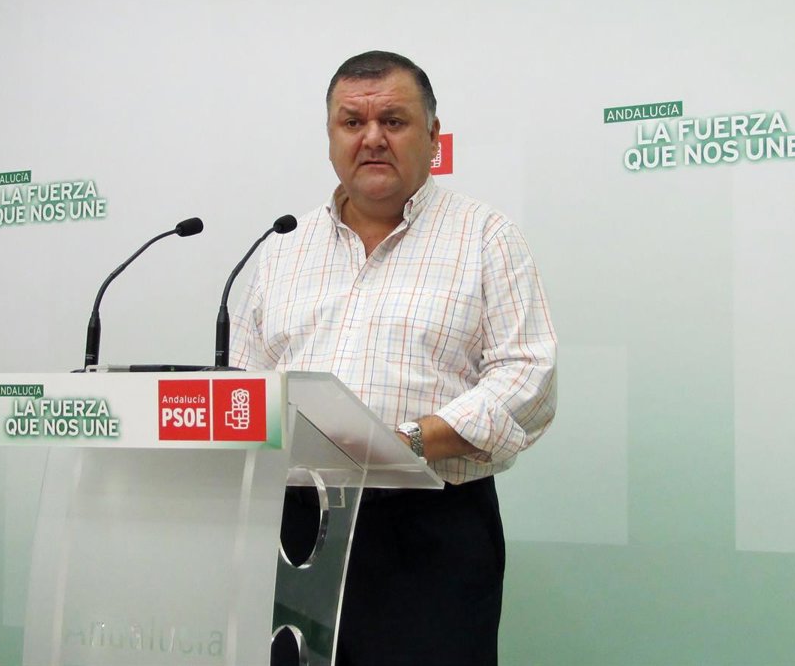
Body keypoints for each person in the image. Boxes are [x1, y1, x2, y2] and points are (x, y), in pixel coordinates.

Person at [232, 50, 557, 666]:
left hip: (428, 528)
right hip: (296, 524)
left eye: (394, 121)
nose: (373, 138)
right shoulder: (283, 249)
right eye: (353, 122)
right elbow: (247, 387)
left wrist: (405, 441)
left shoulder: (485, 236)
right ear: (331, 137)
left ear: (433, 136)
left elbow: (527, 378)